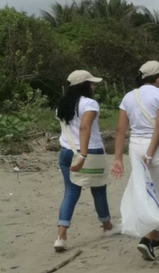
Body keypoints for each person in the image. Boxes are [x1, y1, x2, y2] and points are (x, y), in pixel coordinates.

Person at [111, 61, 159, 260]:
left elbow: (120, 129)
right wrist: (150, 152)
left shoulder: (129, 96)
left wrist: (117, 158)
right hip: (156, 147)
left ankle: (155, 235)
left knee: (147, 189)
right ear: (156, 78)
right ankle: (148, 237)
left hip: (135, 147)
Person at [54, 70, 120, 252]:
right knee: (98, 190)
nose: (94, 86)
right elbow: (85, 127)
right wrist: (83, 155)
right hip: (90, 152)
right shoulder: (89, 103)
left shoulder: (61, 105)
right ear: (84, 85)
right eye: (91, 83)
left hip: (66, 151)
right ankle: (107, 227)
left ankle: (61, 236)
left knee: (70, 192)